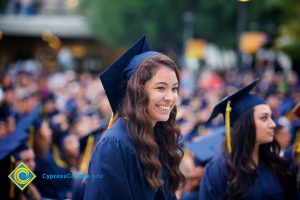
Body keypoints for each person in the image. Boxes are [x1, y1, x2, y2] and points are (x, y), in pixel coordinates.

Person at [84, 36, 185, 199]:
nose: (170, 97)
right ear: (136, 92)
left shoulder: (158, 136)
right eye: (161, 88)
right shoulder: (114, 145)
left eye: (174, 88)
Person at [199, 79, 295, 200]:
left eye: (271, 117)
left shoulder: (275, 164)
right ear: (245, 125)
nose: (273, 124)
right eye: (264, 118)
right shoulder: (218, 171)